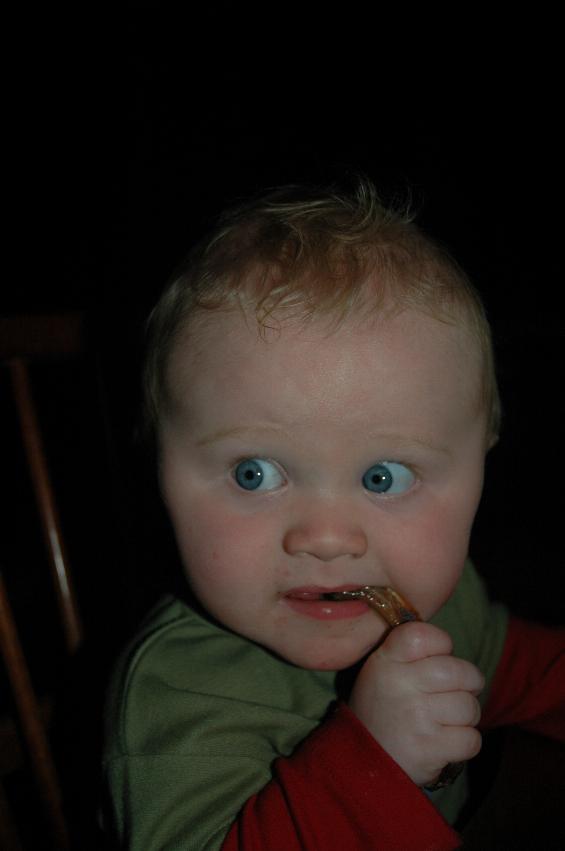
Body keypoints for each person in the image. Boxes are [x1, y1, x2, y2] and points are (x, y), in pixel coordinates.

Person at [103, 179, 564, 850]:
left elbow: (522, 670)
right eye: (252, 473)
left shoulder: (438, 601)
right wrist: (373, 763)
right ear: (160, 471)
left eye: (384, 475)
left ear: (482, 464)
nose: (324, 537)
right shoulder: (176, 700)